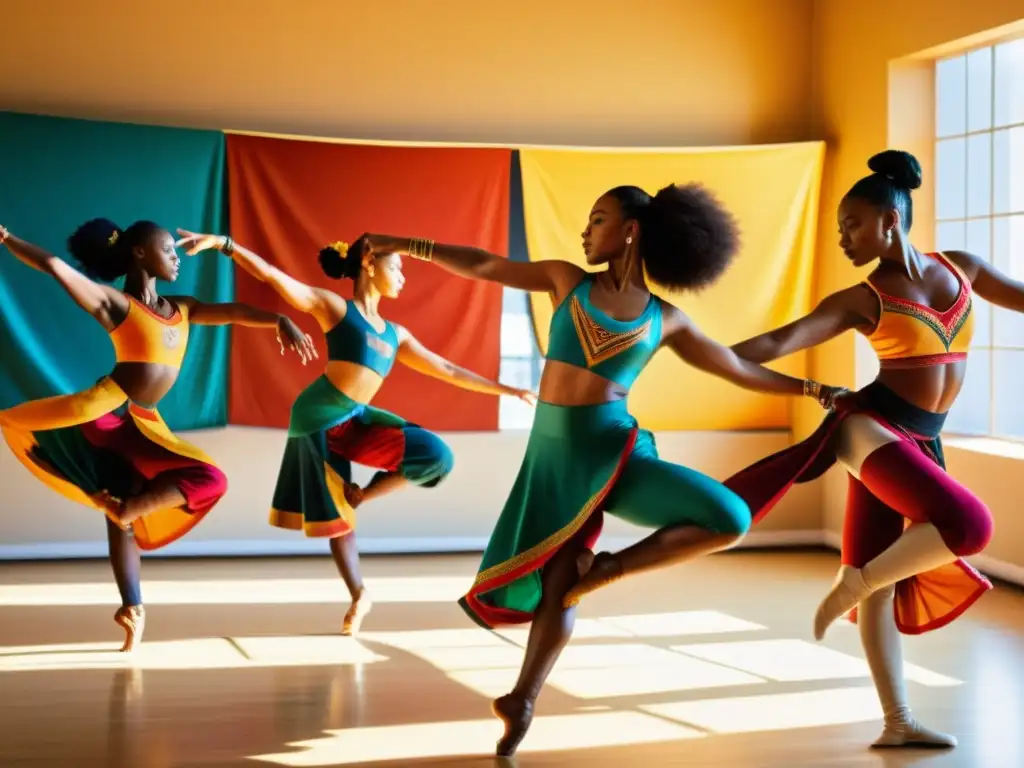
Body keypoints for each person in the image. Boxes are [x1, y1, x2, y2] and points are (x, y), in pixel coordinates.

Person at [363, 182, 844, 756]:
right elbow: (486, 264)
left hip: (617, 453)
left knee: (730, 517)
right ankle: (522, 699)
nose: (585, 232)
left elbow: (738, 368)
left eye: (598, 219)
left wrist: (814, 388)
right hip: (558, 464)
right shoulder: (567, 281)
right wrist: (402, 243)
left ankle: (608, 570)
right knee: (559, 588)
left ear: (631, 231)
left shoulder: (668, 320)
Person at [726, 149, 1010, 749]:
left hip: (923, 438)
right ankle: (851, 588)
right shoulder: (860, 299)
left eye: (849, 225)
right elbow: (780, 339)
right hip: (870, 426)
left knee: (877, 576)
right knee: (967, 525)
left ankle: (897, 722)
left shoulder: (962, 269)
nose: (842, 238)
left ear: (889, 219)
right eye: (838, 229)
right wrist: (687, 346)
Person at [174, 229, 536, 635]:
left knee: (436, 457)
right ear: (369, 263)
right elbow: (275, 278)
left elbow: (448, 369)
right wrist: (226, 244)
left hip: (359, 419)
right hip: (318, 422)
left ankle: (363, 493)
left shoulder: (396, 334)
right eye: (397, 267)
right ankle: (359, 593)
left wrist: (509, 389)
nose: (403, 276)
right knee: (337, 520)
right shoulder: (336, 310)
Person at [0, 220, 312, 651]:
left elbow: (234, 312)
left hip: (142, 421)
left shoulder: (182, 308)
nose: (176, 256)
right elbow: (55, 266)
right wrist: (6, 238)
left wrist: (278, 320)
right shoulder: (116, 305)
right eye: (168, 249)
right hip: (108, 412)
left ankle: (132, 603)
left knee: (197, 482)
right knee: (175, 487)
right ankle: (126, 513)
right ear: (140, 254)